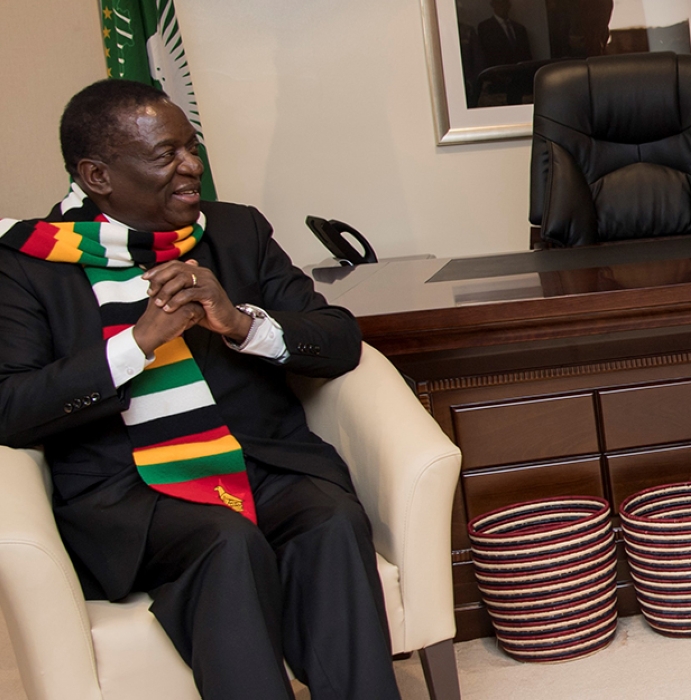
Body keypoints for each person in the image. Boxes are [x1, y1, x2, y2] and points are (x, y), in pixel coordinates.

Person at [0, 80, 401, 700]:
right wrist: (137, 343)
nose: (192, 167)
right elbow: (11, 408)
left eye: (192, 148)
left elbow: (338, 340)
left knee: (331, 520)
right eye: (166, 155)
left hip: (259, 460)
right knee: (225, 542)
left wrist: (241, 324)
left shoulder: (236, 232)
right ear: (97, 174)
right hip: (131, 491)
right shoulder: (28, 264)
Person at [477, 0, 533, 68]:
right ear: (493, 5)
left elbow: (527, 56)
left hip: (520, 73)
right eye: (499, 3)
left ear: (509, 5)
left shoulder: (520, 29)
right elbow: (485, 55)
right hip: (498, 73)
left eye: (505, 2)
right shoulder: (485, 27)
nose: (502, 6)